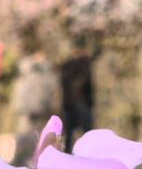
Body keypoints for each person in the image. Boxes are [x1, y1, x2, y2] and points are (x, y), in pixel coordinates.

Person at [11, 26, 59, 158]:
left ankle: (35, 158)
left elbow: (52, 89)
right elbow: (22, 90)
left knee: (39, 137)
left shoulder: (46, 72)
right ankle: (22, 158)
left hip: (42, 108)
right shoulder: (28, 70)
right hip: (28, 109)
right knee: (25, 136)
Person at [60, 40, 95, 152]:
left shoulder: (68, 66)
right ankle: (83, 152)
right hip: (78, 104)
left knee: (72, 134)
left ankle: (71, 153)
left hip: (72, 104)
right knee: (81, 133)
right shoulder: (84, 65)